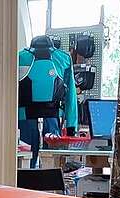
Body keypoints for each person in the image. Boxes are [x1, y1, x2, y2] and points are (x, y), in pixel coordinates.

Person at [18, 35, 77, 168]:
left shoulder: (19, 57)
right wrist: (71, 127)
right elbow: (71, 95)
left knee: (25, 165)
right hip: (50, 118)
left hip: (25, 118)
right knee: (51, 164)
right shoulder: (63, 58)